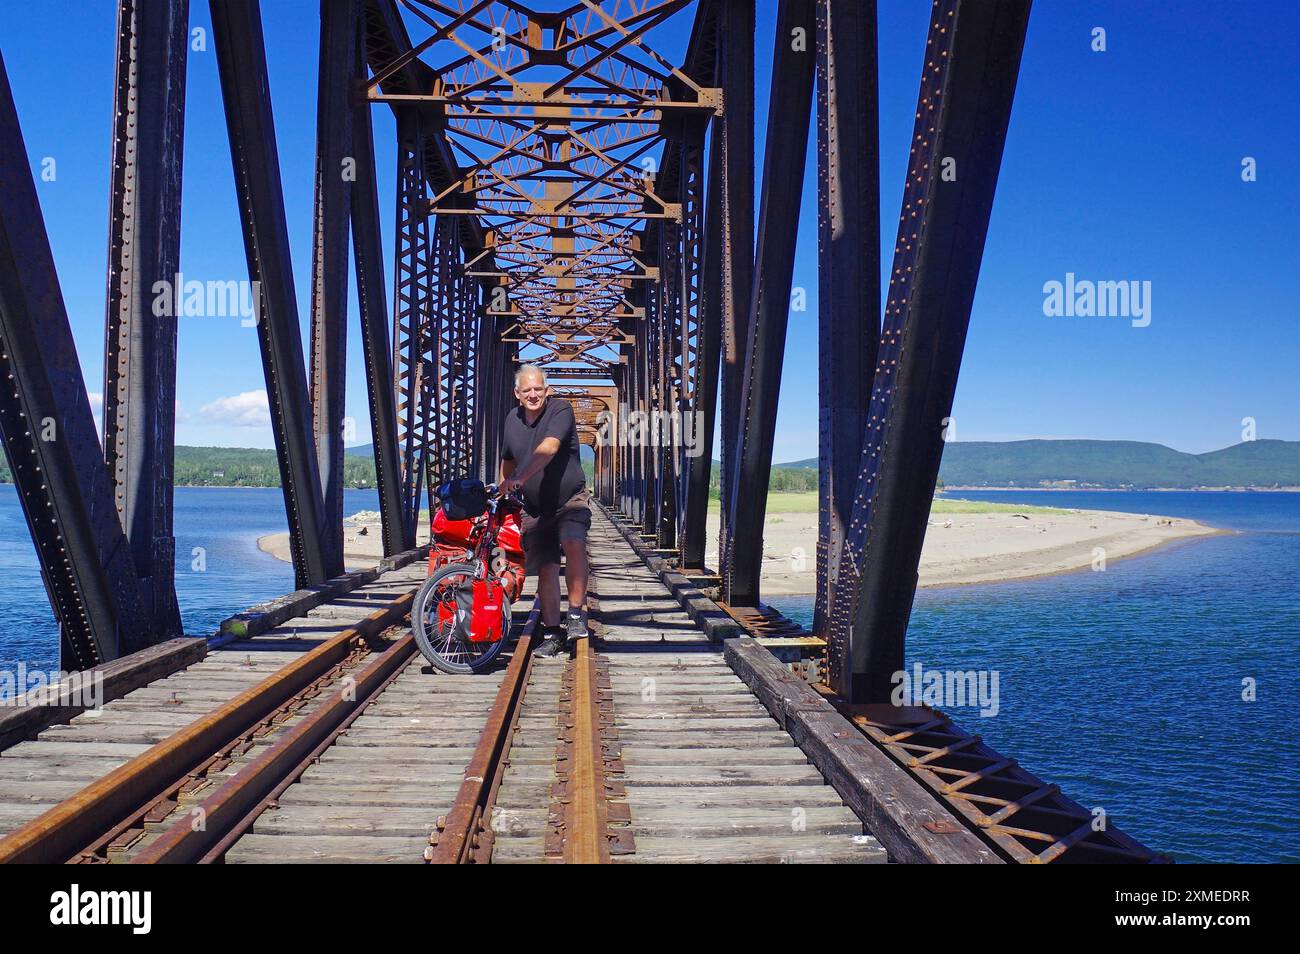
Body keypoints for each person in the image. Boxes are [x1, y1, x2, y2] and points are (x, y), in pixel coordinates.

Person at [498, 365, 591, 657]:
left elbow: (550, 447)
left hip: (569, 498)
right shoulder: (511, 420)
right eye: (527, 390)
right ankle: (552, 634)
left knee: (574, 541)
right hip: (535, 508)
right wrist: (504, 488)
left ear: (547, 390)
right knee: (547, 568)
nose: (533, 394)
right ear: (517, 394)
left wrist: (521, 479)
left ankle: (576, 614)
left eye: (538, 389)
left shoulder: (560, 410)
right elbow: (508, 460)